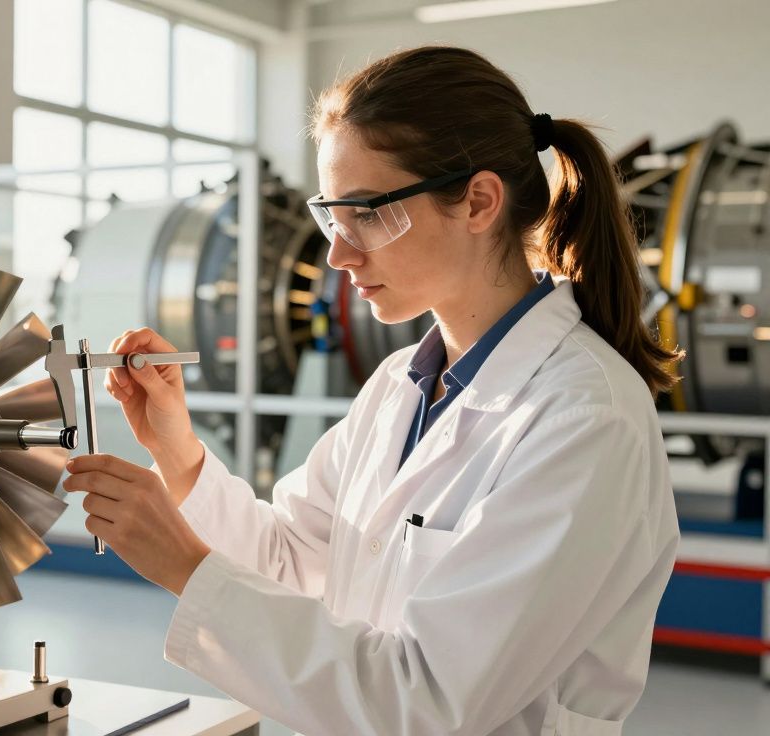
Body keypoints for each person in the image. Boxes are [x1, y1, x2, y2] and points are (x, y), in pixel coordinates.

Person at [61, 46, 682, 735]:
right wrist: (177, 452)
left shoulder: (585, 420)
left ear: (478, 201)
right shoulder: (401, 387)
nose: (338, 251)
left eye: (367, 213)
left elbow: (425, 701)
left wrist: (186, 567)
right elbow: (292, 559)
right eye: (332, 213)